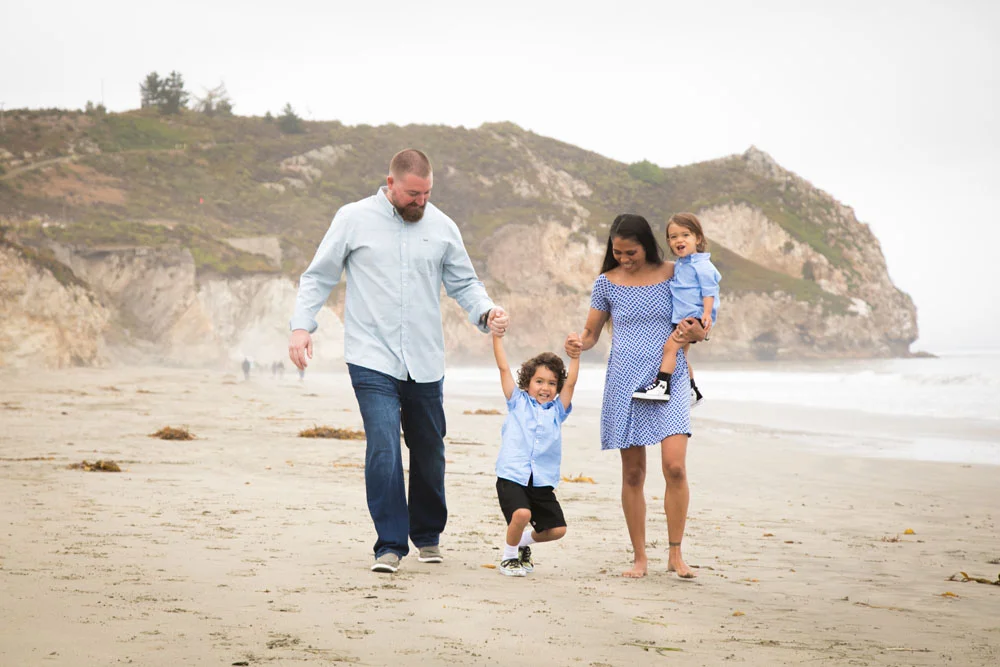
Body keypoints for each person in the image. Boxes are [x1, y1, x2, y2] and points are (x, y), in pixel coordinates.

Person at [288, 149, 509, 574]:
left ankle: (427, 533)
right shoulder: (352, 218)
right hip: (371, 356)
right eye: (412, 193)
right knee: (384, 447)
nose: (420, 202)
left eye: (426, 194)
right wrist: (302, 326)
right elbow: (318, 276)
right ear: (390, 183)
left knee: (429, 450)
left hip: (425, 357)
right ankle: (390, 543)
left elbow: (465, 282)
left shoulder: (443, 227)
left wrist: (486, 312)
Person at [564, 214, 705, 578]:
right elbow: (592, 333)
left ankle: (675, 554)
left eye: (632, 252)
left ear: (647, 245)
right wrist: (580, 343)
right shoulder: (606, 283)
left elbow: (701, 312)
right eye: (618, 252)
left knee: (674, 466)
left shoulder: (676, 272)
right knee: (633, 474)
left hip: (667, 376)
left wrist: (695, 332)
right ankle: (640, 558)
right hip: (624, 380)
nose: (625, 259)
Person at [491, 330, 579, 576]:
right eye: (539, 381)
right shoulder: (517, 402)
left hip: (541, 480)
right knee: (521, 513)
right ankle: (509, 558)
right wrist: (496, 338)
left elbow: (571, 382)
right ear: (528, 383)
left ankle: (520, 542)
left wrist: (576, 356)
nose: (545, 388)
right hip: (512, 475)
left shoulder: (558, 411)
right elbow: (503, 369)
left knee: (558, 529)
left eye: (552, 383)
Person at [632, 212, 721, 406]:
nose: (679, 240)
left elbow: (709, 291)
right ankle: (692, 391)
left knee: (670, 348)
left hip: (693, 318)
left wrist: (706, 314)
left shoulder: (702, 265)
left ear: (698, 238)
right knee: (680, 355)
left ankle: (662, 385)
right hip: (683, 317)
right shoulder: (682, 264)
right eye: (673, 237)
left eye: (685, 235)